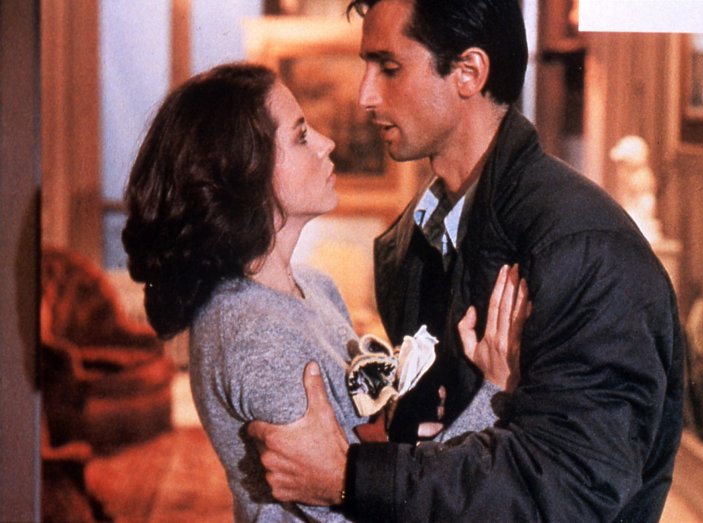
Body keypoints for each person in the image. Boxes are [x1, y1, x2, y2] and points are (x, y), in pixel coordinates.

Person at [247, 1, 685, 522]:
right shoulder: (410, 244)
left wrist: (351, 477)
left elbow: (569, 489)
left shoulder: (585, 248)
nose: (366, 96)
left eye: (389, 68)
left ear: (469, 72)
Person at [122, 62, 528, 523]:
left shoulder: (314, 285)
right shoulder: (253, 337)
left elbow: (364, 465)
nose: (326, 143)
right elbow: (363, 510)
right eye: (300, 136)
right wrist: (493, 396)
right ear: (245, 174)